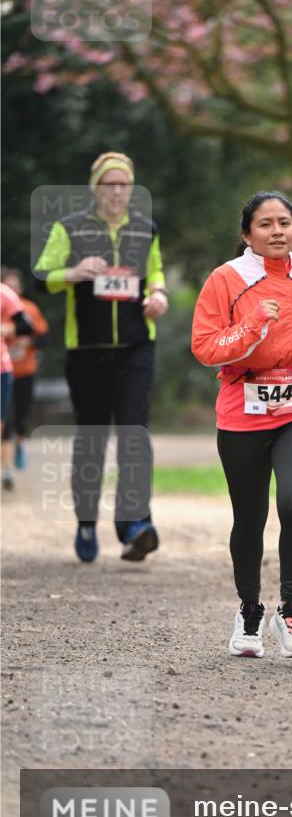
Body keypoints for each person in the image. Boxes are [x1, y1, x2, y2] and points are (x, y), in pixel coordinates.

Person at [191, 192, 292, 659]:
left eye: (285, 222)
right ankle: (248, 612)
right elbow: (205, 347)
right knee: (250, 518)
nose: (277, 231)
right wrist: (251, 326)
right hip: (242, 412)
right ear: (247, 234)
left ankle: (291, 611)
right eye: (265, 224)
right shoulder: (228, 279)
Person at [34, 151, 169, 562]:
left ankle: (134, 525)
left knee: (134, 436)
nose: (115, 191)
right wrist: (73, 273)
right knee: (91, 440)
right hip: (87, 351)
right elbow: (43, 275)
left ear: (131, 188)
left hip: (135, 348)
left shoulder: (145, 228)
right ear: (96, 188)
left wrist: (158, 294)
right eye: (108, 184)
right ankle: (86, 522)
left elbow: (156, 271)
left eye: (122, 184)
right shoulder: (70, 227)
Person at [0, 268, 49, 480]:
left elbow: (44, 337)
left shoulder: (28, 308)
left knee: (20, 416)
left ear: (20, 288)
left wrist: (29, 342)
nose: (11, 289)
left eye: (14, 286)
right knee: (5, 419)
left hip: (24, 371)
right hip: (5, 370)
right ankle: (7, 468)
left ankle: (20, 442)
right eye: (7, 285)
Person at [1, 281, 34, 489]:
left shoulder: (4, 295)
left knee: (10, 421)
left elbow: (27, 327)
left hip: (6, 370)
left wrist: (7, 329)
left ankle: (7, 467)